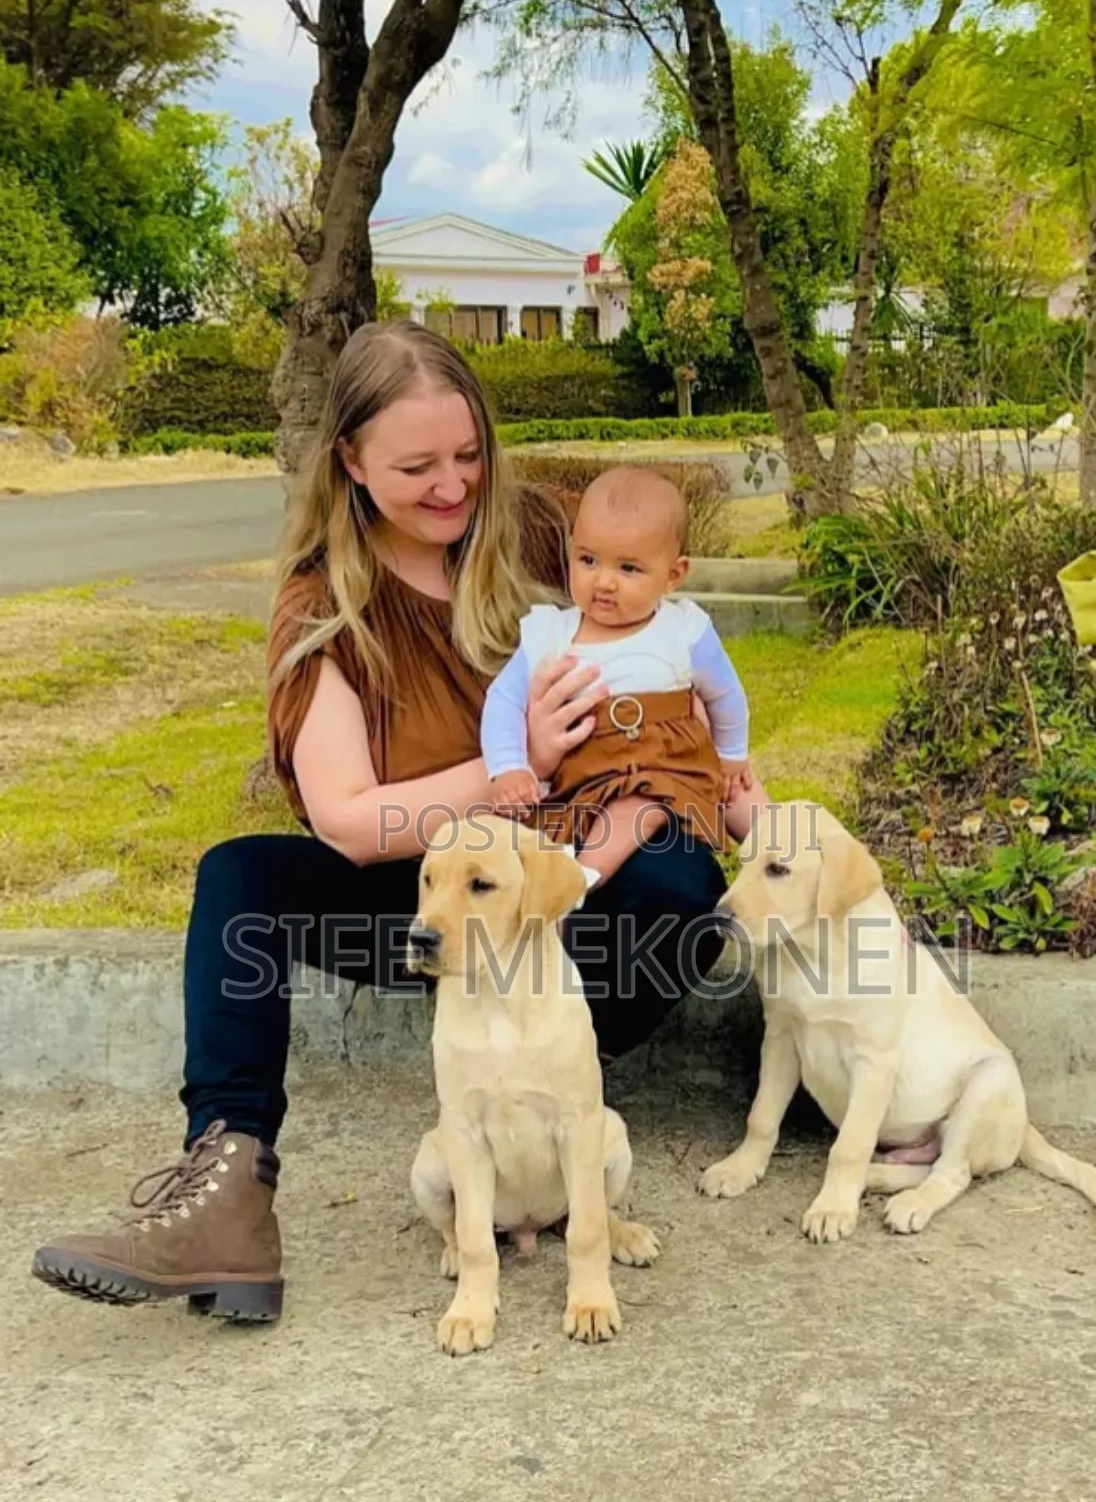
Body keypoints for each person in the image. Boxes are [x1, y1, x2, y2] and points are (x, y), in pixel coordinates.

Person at [31, 320, 741, 1324]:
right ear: (352, 462)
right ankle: (227, 1189)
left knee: (678, 875)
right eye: (417, 465)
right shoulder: (326, 605)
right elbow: (352, 823)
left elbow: (665, 622)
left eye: (468, 454)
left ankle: (549, 1100)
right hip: (415, 898)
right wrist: (515, 764)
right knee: (241, 879)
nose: (453, 484)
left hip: (556, 902)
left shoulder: (541, 538)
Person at [482, 465, 756, 881]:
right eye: (588, 560)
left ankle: (810, 875)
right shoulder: (549, 634)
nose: (604, 582)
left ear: (673, 575)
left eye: (628, 569)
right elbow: (503, 700)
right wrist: (509, 766)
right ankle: (568, 888)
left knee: (733, 804)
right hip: (584, 780)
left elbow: (725, 694)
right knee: (598, 821)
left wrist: (733, 754)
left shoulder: (683, 630)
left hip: (669, 768)